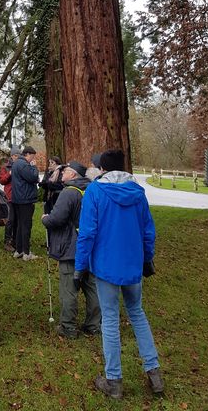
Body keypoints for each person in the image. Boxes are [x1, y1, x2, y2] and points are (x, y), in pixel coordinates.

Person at [75, 149, 163, 399]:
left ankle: (113, 379)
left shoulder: (95, 191)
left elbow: (87, 232)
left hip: (106, 267)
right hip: (132, 264)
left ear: (102, 169)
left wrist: (80, 266)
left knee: (111, 321)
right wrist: (147, 258)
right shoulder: (137, 192)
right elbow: (148, 230)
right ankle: (154, 373)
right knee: (138, 314)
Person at [41, 161, 101, 339]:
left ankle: (68, 326)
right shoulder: (93, 190)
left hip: (71, 247)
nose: (62, 174)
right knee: (92, 286)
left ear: (73, 174)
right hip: (91, 245)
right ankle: (94, 324)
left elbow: (56, 219)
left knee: (69, 288)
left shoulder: (69, 193)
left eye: (65, 171)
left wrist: (45, 219)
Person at [11, 146, 39, 260]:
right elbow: (33, 177)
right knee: (26, 226)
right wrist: (35, 167)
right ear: (27, 154)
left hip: (18, 198)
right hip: (25, 199)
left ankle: (19, 250)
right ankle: (26, 253)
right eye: (32, 156)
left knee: (20, 226)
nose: (33, 159)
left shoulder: (16, 163)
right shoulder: (23, 164)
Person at [0, 145, 21, 251]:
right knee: (10, 220)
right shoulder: (6, 167)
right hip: (10, 197)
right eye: (16, 155)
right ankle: (7, 242)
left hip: (20, 197)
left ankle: (16, 241)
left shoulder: (22, 166)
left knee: (17, 220)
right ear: (12, 156)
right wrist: (9, 174)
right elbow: (2, 180)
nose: (17, 157)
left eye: (19, 155)